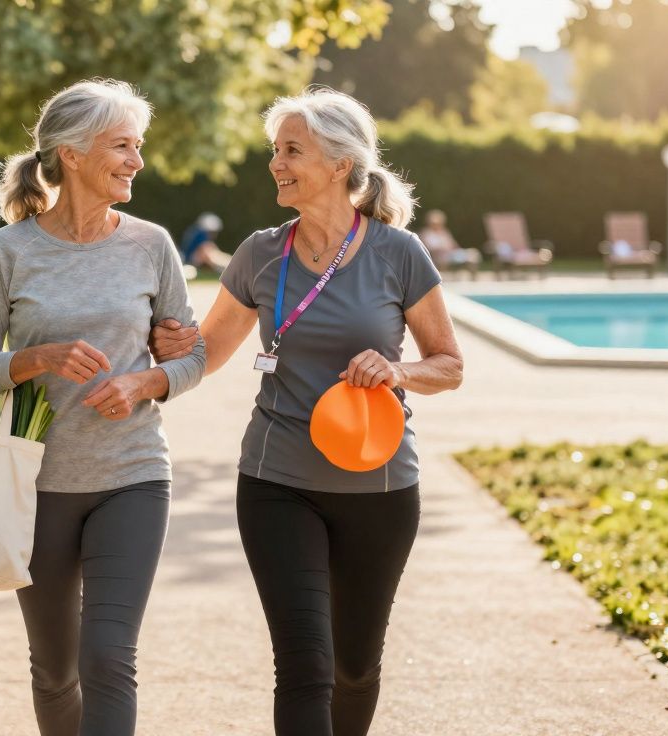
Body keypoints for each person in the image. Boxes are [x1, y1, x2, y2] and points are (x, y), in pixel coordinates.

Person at [150, 87, 463, 736]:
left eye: (292, 150)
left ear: (340, 164)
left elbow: (448, 364)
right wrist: (153, 365)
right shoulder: (262, 253)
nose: (276, 163)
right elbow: (207, 352)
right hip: (276, 481)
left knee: (354, 667)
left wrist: (398, 369)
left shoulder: (398, 253)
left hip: (378, 486)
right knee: (304, 666)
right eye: (274, 150)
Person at [0, 79, 206, 736]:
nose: (137, 161)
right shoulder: (9, 250)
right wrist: (35, 359)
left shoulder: (152, 245)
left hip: (133, 474)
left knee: (107, 656)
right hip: (35, 485)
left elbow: (191, 355)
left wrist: (142, 384)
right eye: (123, 145)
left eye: (137, 146)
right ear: (71, 153)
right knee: (54, 668)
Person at [417, 209, 481, 277]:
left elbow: (454, 245)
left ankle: (473, 278)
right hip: (439, 256)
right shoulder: (425, 233)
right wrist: (441, 249)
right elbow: (426, 248)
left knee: (473, 253)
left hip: (452, 254)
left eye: (438, 223)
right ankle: (442, 278)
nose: (436, 225)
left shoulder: (444, 232)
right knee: (442, 258)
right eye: (434, 223)